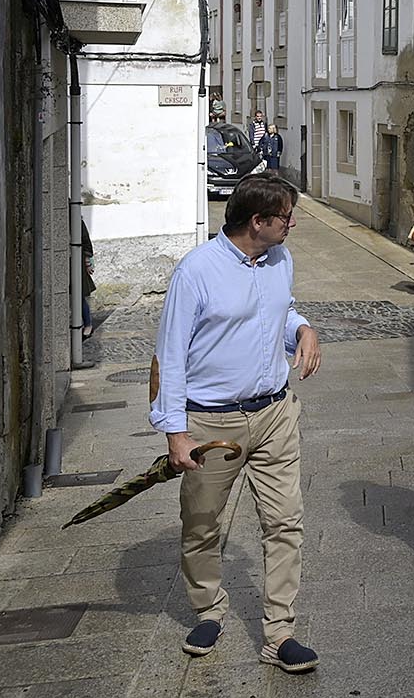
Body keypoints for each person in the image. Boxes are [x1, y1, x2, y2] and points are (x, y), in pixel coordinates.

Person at [150, 172, 322, 674]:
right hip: (210, 425)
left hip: (273, 413)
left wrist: (303, 328)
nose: (293, 224)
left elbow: (277, 311)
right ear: (258, 221)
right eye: (286, 217)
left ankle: (280, 632)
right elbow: (171, 355)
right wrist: (175, 433)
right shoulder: (196, 272)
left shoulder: (279, 259)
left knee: (285, 521)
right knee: (203, 523)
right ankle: (207, 608)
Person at [79, 220, 99, 340]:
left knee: (79, 296)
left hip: (77, 262)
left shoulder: (77, 221)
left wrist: (87, 262)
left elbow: (86, 242)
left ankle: (88, 325)